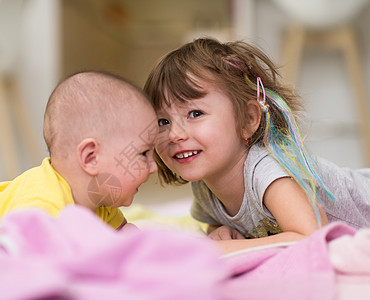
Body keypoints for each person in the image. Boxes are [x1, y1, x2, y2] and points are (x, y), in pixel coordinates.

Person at [143, 38, 370, 254]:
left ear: (249, 120)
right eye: (163, 121)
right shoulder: (205, 186)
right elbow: (216, 225)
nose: (174, 134)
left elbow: (309, 236)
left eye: (195, 113)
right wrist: (219, 233)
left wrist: (228, 249)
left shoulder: (267, 172)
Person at [0, 71, 158, 238]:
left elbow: (123, 236)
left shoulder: (100, 199)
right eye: (143, 153)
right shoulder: (41, 208)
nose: (153, 167)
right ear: (90, 158)